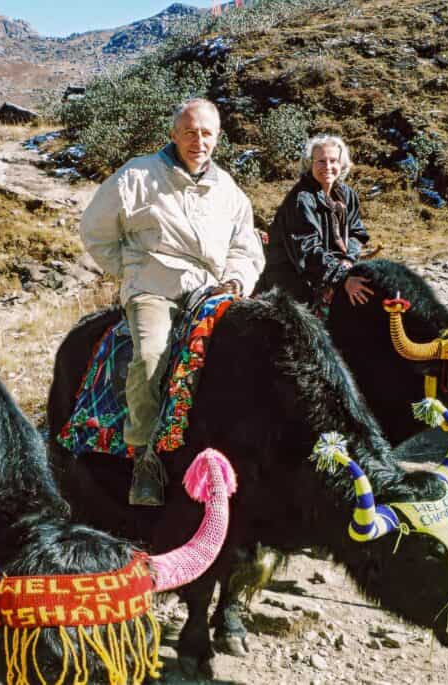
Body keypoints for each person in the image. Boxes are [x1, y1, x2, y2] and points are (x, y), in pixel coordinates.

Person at [80, 98, 264, 506]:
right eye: (190, 131)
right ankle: (145, 459)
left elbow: (246, 245)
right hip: (155, 289)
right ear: (173, 134)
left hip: (214, 290)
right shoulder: (138, 175)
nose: (199, 141)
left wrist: (236, 279)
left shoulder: (228, 190)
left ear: (217, 137)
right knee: (149, 356)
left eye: (207, 133)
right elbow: (94, 230)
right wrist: (133, 271)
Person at [258, 134, 372, 313]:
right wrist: (341, 278)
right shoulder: (301, 199)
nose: (328, 167)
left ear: (341, 164)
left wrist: (347, 260)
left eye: (333, 160)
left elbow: (356, 233)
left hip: (329, 270)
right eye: (321, 161)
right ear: (309, 164)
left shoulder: (347, 195)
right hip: (293, 279)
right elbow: (307, 250)